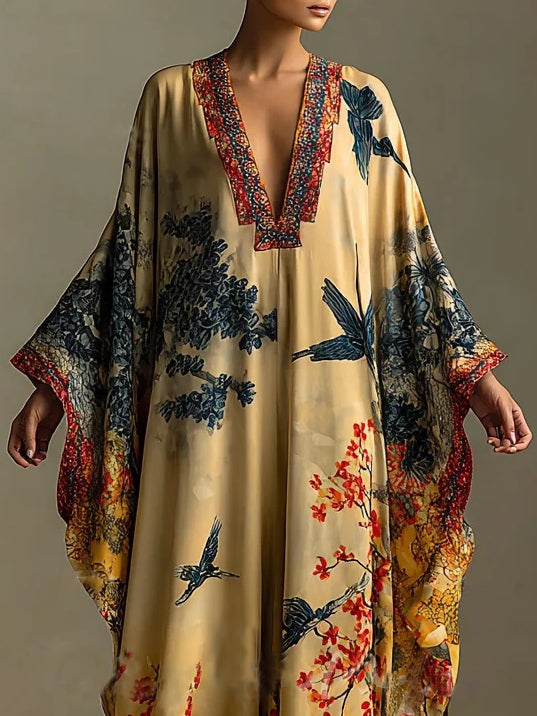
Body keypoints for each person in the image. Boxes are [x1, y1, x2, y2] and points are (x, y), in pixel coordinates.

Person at [6, 1, 532, 714]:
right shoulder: (171, 101)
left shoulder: (366, 104)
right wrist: (57, 383)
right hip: (202, 431)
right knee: (196, 629)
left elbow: (408, 261)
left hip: (333, 437)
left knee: (326, 634)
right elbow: (131, 258)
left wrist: (477, 377)